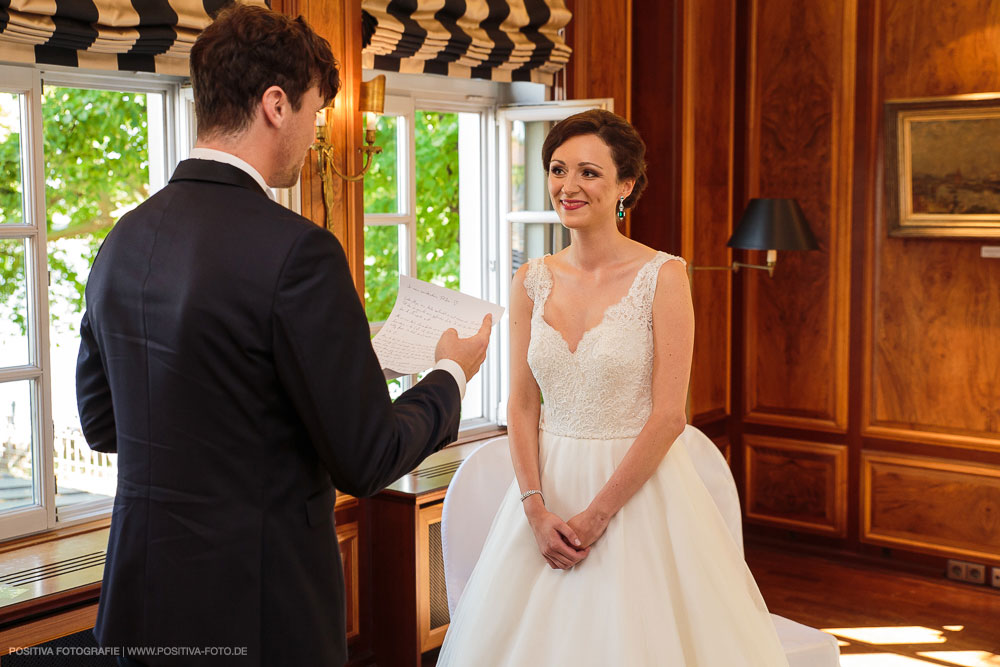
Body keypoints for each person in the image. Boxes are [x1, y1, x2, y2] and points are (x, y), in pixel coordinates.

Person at [75, 6, 491, 667]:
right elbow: (367, 456)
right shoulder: (299, 253)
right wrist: (449, 373)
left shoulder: (122, 241)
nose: (313, 133)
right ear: (276, 104)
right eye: (315, 112)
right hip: (259, 617)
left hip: (138, 606)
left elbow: (103, 422)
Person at [437, 109, 788, 665]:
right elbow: (523, 404)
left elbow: (671, 415)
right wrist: (534, 508)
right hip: (545, 495)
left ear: (626, 185)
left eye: (588, 173)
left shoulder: (664, 276)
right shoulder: (531, 280)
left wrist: (598, 514)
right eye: (557, 169)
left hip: (638, 496)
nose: (568, 186)